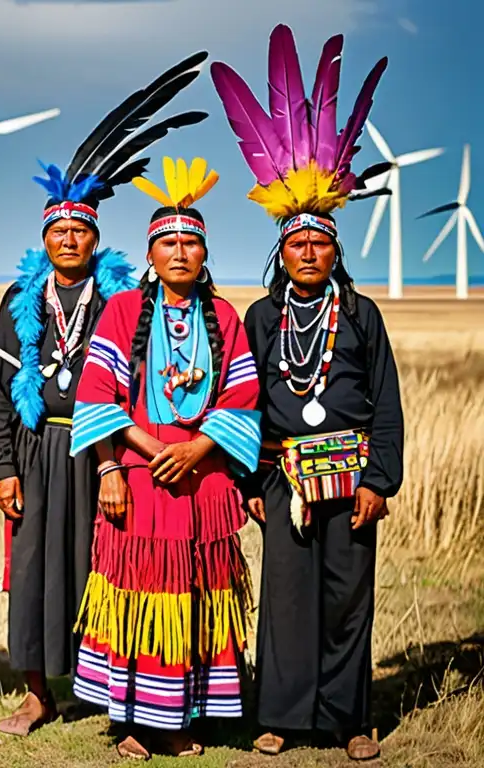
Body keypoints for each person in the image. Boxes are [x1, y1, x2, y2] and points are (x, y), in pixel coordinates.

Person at [0, 52, 210, 736]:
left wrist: (118, 456)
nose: (71, 238)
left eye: (81, 229)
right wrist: (1, 466)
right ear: (45, 239)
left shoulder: (124, 296)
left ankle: (109, 688)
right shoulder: (20, 296)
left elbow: (147, 371)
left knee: (108, 565)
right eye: (60, 230)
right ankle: (35, 693)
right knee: (32, 571)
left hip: (104, 447)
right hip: (38, 441)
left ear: (97, 237)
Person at [210, 25, 403, 761]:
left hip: (352, 473)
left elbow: (386, 402)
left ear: (335, 247)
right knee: (287, 602)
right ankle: (283, 718)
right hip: (284, 477)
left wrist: (381, 480)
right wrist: (254, 478)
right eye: (298, 243)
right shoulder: (262, 318)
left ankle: (349, 721)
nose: (310, 252)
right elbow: (243, 404)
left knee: (347, 599)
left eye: (321, 242)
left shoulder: (361, 315)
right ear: (281, 249)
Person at [69, 158, 261, 760]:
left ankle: (181, 719)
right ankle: (131, 720)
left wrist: (199, 448)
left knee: (198, 594)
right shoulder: (123, 311)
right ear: (150, 255)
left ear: (204, 255)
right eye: (168, 243)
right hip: (141, 478)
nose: (179, 252)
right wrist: (133, 460)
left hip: (203, 483)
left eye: (190, 243)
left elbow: (243, 396)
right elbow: (98, 396)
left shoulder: (226, 316)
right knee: (136, 592)